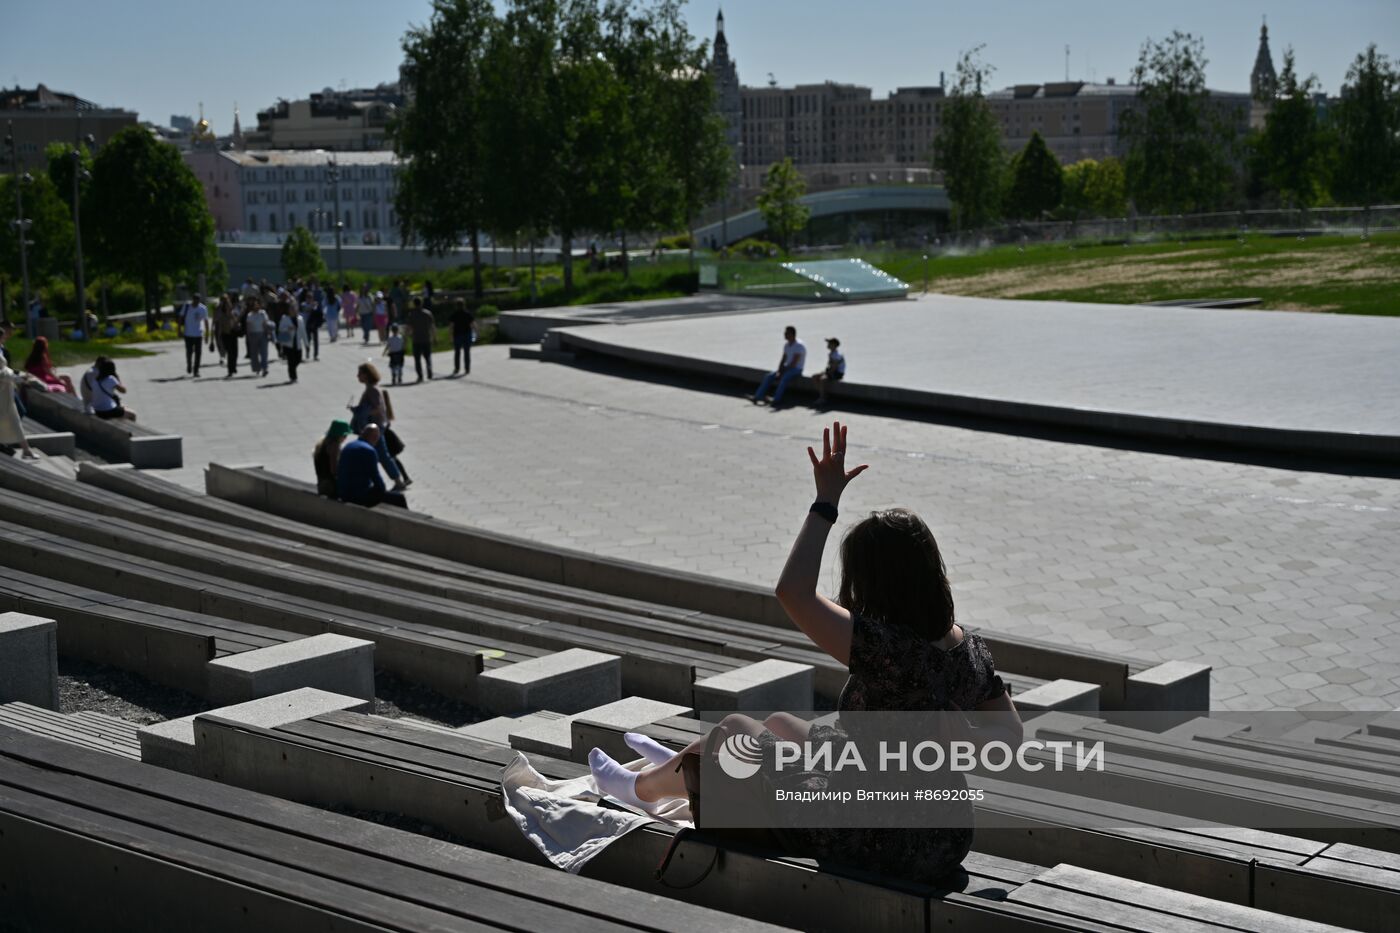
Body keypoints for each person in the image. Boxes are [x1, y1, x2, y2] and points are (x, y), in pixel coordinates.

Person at [588, 421, 1021, 887]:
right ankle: (676, 768)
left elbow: (791, 591)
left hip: (878, 835)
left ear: (876, 583)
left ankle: (640, 788)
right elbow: (1011, 739)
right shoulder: (967, 650)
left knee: (735, 732)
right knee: (780, 725)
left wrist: (825, 502)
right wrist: (963, 739)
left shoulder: (885, 647)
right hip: (945, 833)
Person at [349, 362, 406, 490]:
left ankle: (398, 482)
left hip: (374, 429)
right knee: (374, 455)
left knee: (381, 456)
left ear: (367, 375)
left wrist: (361, 411)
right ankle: (384, 481)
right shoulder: (370, 389)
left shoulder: (372, 390)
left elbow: (377, 408)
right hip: (373, 428)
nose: (357, 376)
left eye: (360, 374)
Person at [336, 423, 407, 509]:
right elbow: (377, 479)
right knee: (399, 498)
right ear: (374, 438)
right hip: (357, 496)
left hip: (343, 493)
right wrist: (381, 492)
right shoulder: (369, 451)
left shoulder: (348, 446)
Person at [752, 326, 806, 408]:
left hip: (796, 369)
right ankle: (757, 396)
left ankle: (776, 399)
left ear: (792, 334)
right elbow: (783, 359)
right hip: (787, 367)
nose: (784, 334)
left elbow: (794, 364)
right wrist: (779, 370)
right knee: (769, 376)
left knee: (784, 378)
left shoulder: (799, 346)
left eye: (786, 333)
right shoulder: (786, 345)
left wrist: (782, 372)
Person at [313, 419, 352, 498]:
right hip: (330, 487)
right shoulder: (334, 446)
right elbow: (334, 470)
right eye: (345, 435)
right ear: (340, 435)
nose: (345, 438)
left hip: (321, 484)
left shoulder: (322, 443)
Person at [276, 301, 310, 383]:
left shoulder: (300, 319)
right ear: (288, 310)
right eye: (291, 308)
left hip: (297, 343)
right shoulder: (285, 318)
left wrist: (306, 344)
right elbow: (280, 330)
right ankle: (293, 377)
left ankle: (292, 370)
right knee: (291, 361)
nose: (293, 310)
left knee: (298, 359)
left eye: (295, 308)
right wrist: (288, 329)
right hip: (288, 344)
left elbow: (303, 332)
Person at [811, 337, 846, 408]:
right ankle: (824, 395)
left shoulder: (836, 355)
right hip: (832, 371)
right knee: (814, 376)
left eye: (829, 343)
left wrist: (826, 374)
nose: (828, 344)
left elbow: (834, 368)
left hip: (837, 373)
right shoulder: (832, 353)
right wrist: (824, 372)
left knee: (822, 379)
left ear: (834, 345)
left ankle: (822, 398)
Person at [180, 294, 209, 377]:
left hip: (198, 334)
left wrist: (207, 335)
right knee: (189, 352)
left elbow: (206, 321)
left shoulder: (203, 308)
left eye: (198, 300)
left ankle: (196, 370)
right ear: (192, 299)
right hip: (188, 333)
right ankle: (189, 364)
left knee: (198, 353)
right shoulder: (186, 307)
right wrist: (179, 330)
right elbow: (180, 317)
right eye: (195, 299)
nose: (196, 301)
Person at [213, 295, 241, 378]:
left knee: (235, 353)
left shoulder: (233, 314)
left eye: (229, 305)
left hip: (233, 334)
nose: (228, 307)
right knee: (230, 353)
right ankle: (230, 370)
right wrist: (218, 338)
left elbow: (237, 323)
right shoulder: (222, 315)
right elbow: (220, 328)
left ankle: (234, 367)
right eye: (227, 305)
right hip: (225, 335)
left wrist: (237, 324)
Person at [409, 298, 435, 382]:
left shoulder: (412, 315)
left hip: (416, 339)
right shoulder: (428, 313)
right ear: (421, 303)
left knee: (417, 359)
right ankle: (429, 371)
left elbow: (409, 328)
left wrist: (408, 335)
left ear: (414, 304)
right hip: (426, 338)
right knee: (428, 357)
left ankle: (420, 376)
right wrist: (435, 337)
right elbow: (432, 327)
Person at [244, 298, 271, 377]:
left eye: (257, 305)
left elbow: (266, 323)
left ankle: (265, 368)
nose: (256, 306)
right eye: (254, 305)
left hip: (263, 334)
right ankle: (257, 368)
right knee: (254, 354)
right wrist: (248, 337)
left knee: (264, 353)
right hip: (253, 335)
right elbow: (248, 327)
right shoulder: (250, 315)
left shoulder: (263, 313)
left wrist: (268, 333)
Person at [450, 299, 476, 376]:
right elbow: (473, 324)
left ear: (456, 305)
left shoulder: (454, 314)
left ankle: (457, 368)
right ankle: (467, 369)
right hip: (467, 334)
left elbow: (451, 326)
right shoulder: (467, 313)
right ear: (464, 305)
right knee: (467, 352)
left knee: (457, 352)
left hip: (457, 335)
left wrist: (450, 336)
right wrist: (475, 334)